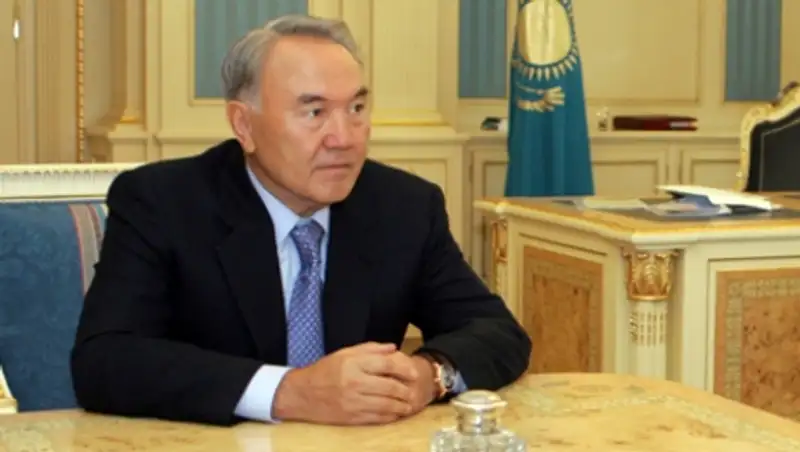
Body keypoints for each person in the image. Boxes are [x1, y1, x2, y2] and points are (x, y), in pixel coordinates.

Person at [70, 14, 531, 427]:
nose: (343, 138)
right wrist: (290, 392)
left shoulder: (403, 207)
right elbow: (105, 359)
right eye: (314, 112)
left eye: (356, 109)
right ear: (244, 125)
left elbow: (498, 332)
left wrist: (427, 375)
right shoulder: (164, 202)